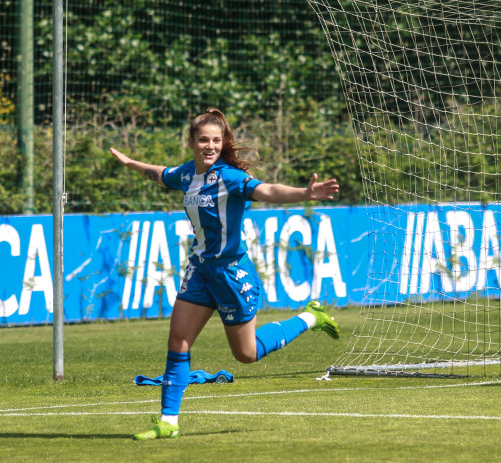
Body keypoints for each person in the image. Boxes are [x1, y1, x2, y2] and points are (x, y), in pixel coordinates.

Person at [110, 108, 342, 438]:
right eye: (203, 139)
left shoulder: (229, 177)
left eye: (216, 140)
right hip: (201, 271)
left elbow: (269, 190)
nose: (210, 145)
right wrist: (131, 164)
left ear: (222, 144)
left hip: (232, 275)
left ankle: (309, 317)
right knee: (178, 340)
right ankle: (167, 422)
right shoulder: (186, 174)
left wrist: (305, 193)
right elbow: (159, 173)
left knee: (246, 355)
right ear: (191, 142)